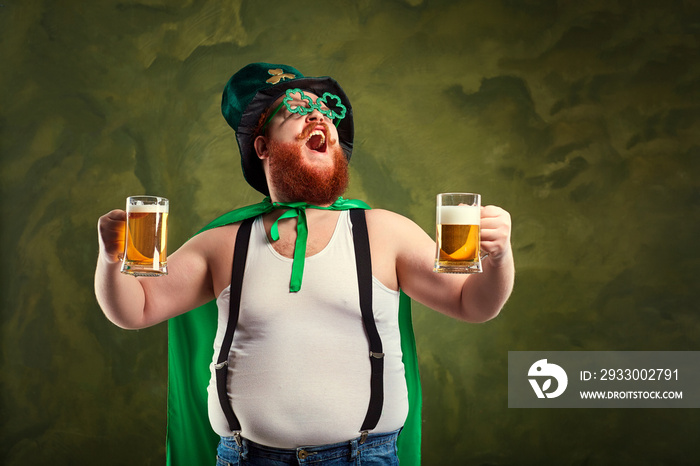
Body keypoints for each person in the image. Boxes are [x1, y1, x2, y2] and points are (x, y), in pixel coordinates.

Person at [95, 62, 514, 466]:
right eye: (294, 111)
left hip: (364, 459)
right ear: (262, 146)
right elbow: (136, 308)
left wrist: (498, 258)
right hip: (246, 461)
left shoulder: (385, 232)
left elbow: (472, 304)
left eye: (325, 111)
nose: (318, 116)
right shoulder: (223, 243)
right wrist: (111, 259)